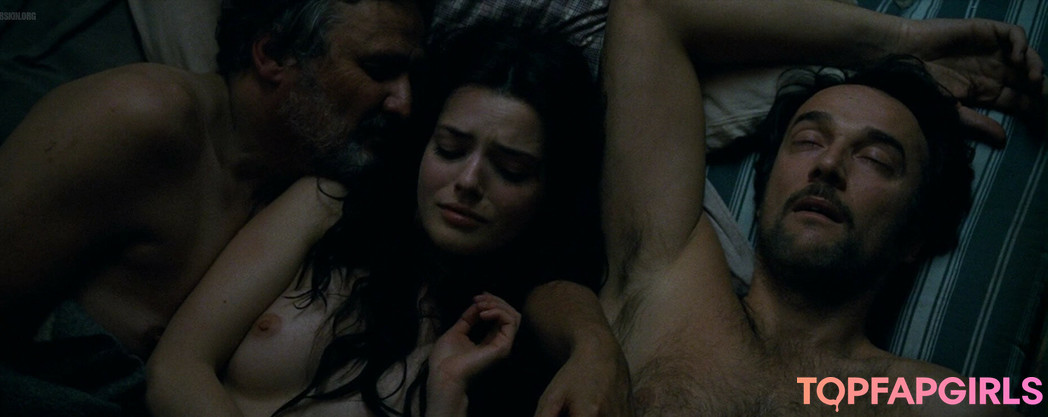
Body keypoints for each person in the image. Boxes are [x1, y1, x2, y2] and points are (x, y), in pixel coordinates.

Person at [0, 0, 423, 413]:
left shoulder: (311, 196)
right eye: (378, 68)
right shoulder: (141, 116)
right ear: (273, 56)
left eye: (411, 78)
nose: (404, 103)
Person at [147, 26, 628, 417]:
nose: (468, 181)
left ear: (548, 194)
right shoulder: (326, 206)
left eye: (511, 170)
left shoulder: (503, 348)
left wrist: (445, 401)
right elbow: (176, 367)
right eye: (450, 149)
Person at [599, 0, 1043, 416]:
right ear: (763, 193)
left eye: (875, 159)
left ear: (914, 235)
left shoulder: (932, 402)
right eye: (808, 141)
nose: (828, 165)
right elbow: (648, 11)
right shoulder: (667, 283)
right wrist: (904, 40)